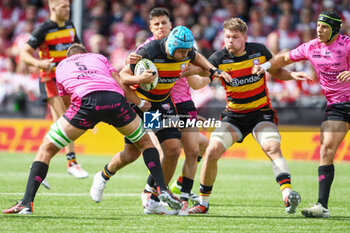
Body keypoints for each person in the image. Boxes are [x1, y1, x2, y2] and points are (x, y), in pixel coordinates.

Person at [2, 44, 182, 214]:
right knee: (145, 143)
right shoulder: (98, 57)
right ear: (85, 53)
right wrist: (141, 103)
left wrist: (83, 121)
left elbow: (67, 101)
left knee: (47, 148)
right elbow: (120, 82)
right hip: (115, 100)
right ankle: (162, 188)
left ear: (69, 56)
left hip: (86, 104)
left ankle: (26, 203)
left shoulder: (62, 66)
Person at [90, 25, 231, 215]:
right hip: (140, 105)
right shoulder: (149, 51)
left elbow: (202, 66)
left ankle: (153, 199)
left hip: (162, 106)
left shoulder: (187, 52)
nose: (184, 55)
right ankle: (104, 175)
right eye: (180, 51)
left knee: (173, 149)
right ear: (172, 45)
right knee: (131, 154)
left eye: (187, 51)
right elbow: (122, 77)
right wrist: (140, 80)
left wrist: (212, 70)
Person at [187, 17, 304, 215]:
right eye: (227, 37)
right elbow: (199, 84)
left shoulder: (259, 51)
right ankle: (203, 203)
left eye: (234, 37)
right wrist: (188, 74)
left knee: (272, 147)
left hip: (261, 114)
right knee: (212, 150)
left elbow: (276, 71)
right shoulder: (217, 59)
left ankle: (287, 195)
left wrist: (292, 75)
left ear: (244, 38)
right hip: (234, 117)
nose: (230, 41)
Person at [253, 10, 350, 218]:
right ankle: (322, 206)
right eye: (318, 26)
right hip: (338, 106)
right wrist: (265, 66)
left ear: (335, 28)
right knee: (326, 150)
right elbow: (284, 58)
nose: (319, 30)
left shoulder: (347, 44)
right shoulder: (311, 47)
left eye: (324, 27)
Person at [127, 7, 209, 212]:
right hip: (159, 105)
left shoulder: (183, 45)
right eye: (156, 24)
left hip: (183, 105)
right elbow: (131, 78)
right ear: (150, 27)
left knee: (199, 146)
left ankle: (176, 188)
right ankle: (153, 191)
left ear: (171, 25)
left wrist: (205, 71)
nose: (161, 27)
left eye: (164, 23)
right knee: (159, 148)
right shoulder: (147, 49)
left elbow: (196, 82)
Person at [19, 0, 88, 179]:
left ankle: (37, 166)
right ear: (53, 7)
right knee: (68, 118)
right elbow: (24, 53)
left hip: (67, 80)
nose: (68, 10)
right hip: (50, 80)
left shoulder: (70, 26)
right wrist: (39, 63)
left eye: (68, 6)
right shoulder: (44, 29)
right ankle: (71, 162)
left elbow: (78, 49)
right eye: (64, 6)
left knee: (59, 124)